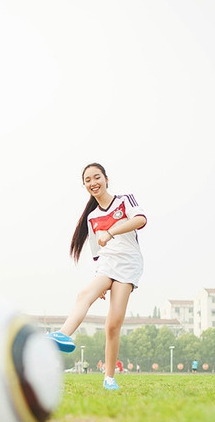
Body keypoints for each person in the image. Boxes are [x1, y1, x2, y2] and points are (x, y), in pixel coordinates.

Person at [48, 162, 147, 390]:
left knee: (113, 324)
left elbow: (140, 220)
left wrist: (111, 231)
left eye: (96, 177)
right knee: (85, 294)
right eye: (88, 180)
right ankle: (63, 335)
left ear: (106, 179)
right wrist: (101, 282)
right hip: (106, 265)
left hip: (129, 264)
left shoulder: (125, 200)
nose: (93, 183)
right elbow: (97, 253)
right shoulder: (92, 217)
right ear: (85, 186)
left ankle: (109, 378)